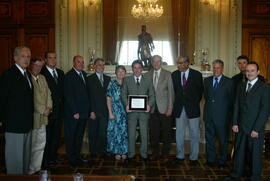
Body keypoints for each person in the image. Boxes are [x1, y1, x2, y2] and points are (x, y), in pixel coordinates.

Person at [225, 61, 270, 181]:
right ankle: (236, 174)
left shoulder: (264, 88)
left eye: (252, 70)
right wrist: (234, 122)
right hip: (240, 126)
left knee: (255, 155)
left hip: (255, 129)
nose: (249, 73)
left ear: (258, 72)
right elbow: (237, 106)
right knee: (239, 153)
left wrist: (257, 129)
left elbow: (265, 111)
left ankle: (255, 177)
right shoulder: (241, 86)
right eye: (247, 71)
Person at [0, 46, 33, 174]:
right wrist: (2, 119)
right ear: (15, 58)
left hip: (27, 123)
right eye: (23, 56)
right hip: (14, 124)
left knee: (25, 159)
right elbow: (2, 98)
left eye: (28, 56)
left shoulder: (27, 74)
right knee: (15, 160)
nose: (26, 59)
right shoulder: (8, 75)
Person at [171, 56, 203, 165]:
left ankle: (194, 157)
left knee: (194, 133)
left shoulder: (197, 75)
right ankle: (180, 156)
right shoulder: (174, 75)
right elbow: (173, 91)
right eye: (177, 63)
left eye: (180, 63)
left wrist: (192, 102)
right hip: (179, 108)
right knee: (179, 133)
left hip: (193, 108)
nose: (178, 65)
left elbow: (200, 92)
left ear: (187, 63)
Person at [203, 59, 234, 169]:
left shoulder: (229, 82)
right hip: (209, 115)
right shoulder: (206, 81)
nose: (215, 70)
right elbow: (207, 97)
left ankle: (222, 161)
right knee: (209, 139)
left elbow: (231, 101)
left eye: (218, 68)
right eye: (214, 67)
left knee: (223, 140)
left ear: (222, 69)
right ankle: (210, 160)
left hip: (222, 117)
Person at [121, 60, 155, 161]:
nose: (137, 70)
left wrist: (149, 105)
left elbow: (152, 95)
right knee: (131, 134)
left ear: (142, 69)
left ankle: (144, 154)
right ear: (132, 69)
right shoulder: (127, 80)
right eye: (134, 68)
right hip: (131, 112)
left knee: (144, 134)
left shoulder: (148, 79)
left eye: (139, 67)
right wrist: (126, 104)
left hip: (144, 112)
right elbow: (123, 94)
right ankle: (131, 155)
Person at [146, 55, 174, 161]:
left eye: (158, 61)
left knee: (166, 132)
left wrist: (170, 108)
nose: (156, 63)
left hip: (164, 108)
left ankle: (165, 153)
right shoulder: (148, 75)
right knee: (154, 132)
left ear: (161, 62)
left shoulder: (167, 74)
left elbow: (171, 92)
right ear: (152, 63)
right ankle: (155, 152)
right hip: (152, 109)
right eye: (154, 61)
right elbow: (146, 92)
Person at [64, 55, 90, 167]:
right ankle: (71, 158)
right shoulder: (69, 76)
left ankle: (77, 156)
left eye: (82, 62)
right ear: (73, 63)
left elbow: (86, 95)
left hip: (83, 113)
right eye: (78, 62)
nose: (81, 64)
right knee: (71, 136)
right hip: (73, 114)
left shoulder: (84, 74)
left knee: (79, 136)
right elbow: (68, 96)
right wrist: (74, 112)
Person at [28, 57, 52, 174]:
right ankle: (30, 169)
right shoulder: (27, 78)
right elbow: (32, 99)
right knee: (32, 144)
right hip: (34, 117)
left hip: (44, 117)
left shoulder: (42, 78)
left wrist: (49, 107)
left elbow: (49, 93)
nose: (37, 67)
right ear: (31, 65)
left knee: (41, 143)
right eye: (35, 65)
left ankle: (36, 167)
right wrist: (43, 110)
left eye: (39, 66)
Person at [41, 51, 65, 168]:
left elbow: (64, 92)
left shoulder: (60, 73)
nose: (53, 60)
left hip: (59, 111)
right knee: (47, 137)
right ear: (45, 60)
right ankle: (45, 160)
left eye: (54, 58)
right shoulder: (42, 73)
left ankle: (53, 157)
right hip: (48, 111)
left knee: (56, 136)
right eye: (50, 58)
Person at [87, 58, 111, 158]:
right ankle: (93, 152)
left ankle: (102, 150)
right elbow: (87, 96)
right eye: (99, 65)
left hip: (105, 111)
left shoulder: (108, 79)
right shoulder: (89, 79)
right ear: (95, 66)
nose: (101, 67)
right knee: (93, 132)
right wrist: (90, 111)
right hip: (94, 111)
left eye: (103, 65)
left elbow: (109, 96)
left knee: (103, 132)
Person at [106, 65, 128, 160]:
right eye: (119, 71)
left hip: (126, 112)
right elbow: (108, 98)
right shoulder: (112, 83)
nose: (121, 73)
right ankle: (116, 152)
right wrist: (110, 112)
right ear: (116, 73)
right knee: (115, 132)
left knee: (124, 132)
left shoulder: (128, 83)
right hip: (115, 112)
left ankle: (124, 151)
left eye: (122, 71)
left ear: (125, 73)